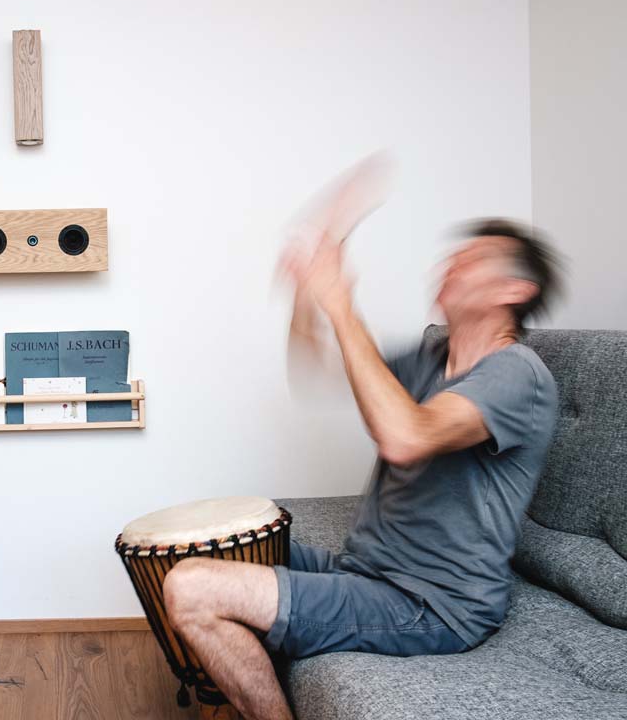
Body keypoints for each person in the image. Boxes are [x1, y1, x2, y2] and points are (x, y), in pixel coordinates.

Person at [162, 172, 562, 720]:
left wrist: (341, 303)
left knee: (192, 589)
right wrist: (309, 295)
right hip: (364, 572)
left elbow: (405, 437)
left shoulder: (516, 374)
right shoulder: (430, 357)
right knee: (198, 549)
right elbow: (317, 366)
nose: (451, 264)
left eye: (473, 260)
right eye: (453, 256)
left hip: (430, 603)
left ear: (514, 290)